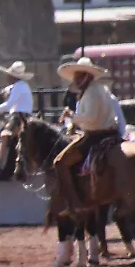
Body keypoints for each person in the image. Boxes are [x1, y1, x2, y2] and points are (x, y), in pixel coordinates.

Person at [53, 57, 119, 215]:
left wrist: (71, 117)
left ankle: (75, 203)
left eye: (79, 76)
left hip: (95, 135)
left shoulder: (91, 92)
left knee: (60, 162)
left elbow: (90, 118)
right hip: (110, 132)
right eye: (76, 76)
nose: (76, 80)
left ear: (87, 76)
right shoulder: (99, 89)